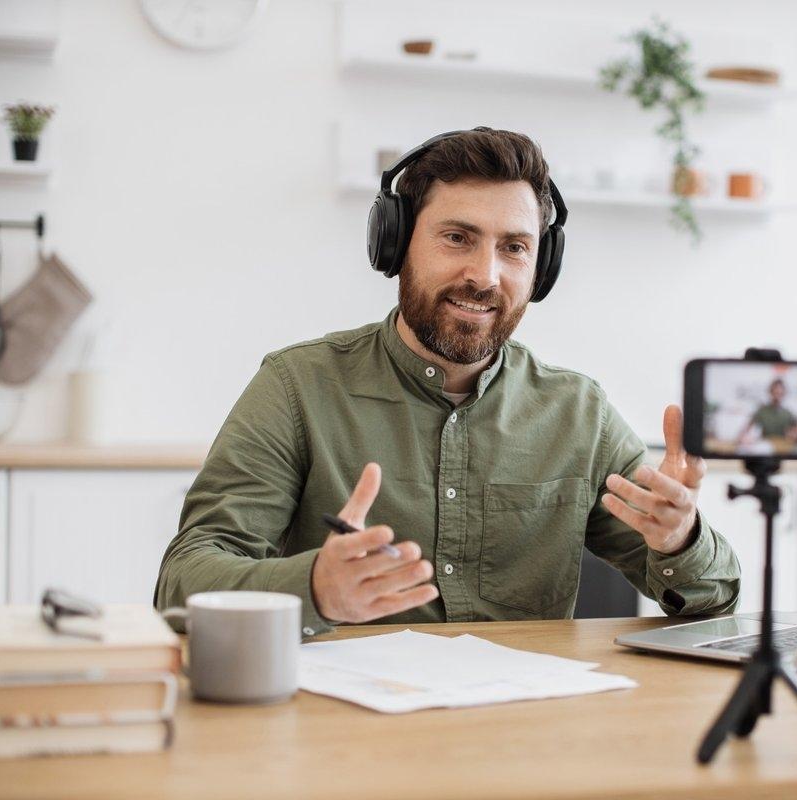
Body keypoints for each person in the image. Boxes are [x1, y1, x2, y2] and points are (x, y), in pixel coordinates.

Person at [154, 127, 740, 636]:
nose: (485, 276)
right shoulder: (297, 387)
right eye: (457, 237)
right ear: (396, 242)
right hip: (346, 733)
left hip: (518, 726)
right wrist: (314, 587)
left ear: (542, 268)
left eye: (514, 247)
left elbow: (715, 603)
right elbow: (183, 581)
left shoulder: (578, 411)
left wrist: (680, 538)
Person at [737, 378, 797, 450]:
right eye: (775, 392)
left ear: (784, 393)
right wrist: (745, 438)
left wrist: (796, 436)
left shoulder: (788, 413)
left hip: (783, 448)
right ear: (770, 392)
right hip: (766, 448)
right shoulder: (762, 411)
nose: (777, 395)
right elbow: (744, 431)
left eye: (780, 393)